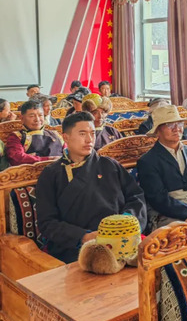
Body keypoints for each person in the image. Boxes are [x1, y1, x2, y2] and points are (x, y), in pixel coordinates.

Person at [35, 112, 147, 263]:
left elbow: (136, 197)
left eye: (92, 133)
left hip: (122, 238)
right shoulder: (51, 174)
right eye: (82, 134)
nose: (89, 140)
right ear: (66, 137)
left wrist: (127, 222)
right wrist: (83, 236)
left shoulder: (110, 165)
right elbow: (47, 222)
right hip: (78, 247)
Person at [137, 105, 187, 229]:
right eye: (170, 125)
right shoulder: (147, 161)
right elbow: (158, 198)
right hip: (169, 212)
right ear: (158, 131)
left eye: (179, 124)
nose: (176, 129)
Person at [6, 100, 64, 166]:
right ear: (22, 118)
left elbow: (69, 152)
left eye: (40, 115)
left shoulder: (55, 134)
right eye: (32, 116)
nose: (37, 119)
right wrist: (49, 159)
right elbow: (18, 158)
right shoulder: (17, 137)